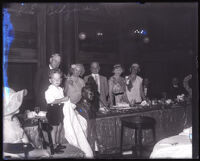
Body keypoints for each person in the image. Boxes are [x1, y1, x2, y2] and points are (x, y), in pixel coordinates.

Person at [3, 87, 50, 159]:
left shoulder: (14, 119)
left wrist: (29, 144)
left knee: (45, 152)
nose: (17, 106)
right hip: (13, 150)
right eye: (13, 104)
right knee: (46, 153)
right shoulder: (5, 124)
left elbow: (23, 135)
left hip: (21, 147)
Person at [45, 69, 69, 153]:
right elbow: (51, 101)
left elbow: (62, 101)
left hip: (59, 109)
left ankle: (58, 143)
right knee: (54, 129)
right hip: (53, 110)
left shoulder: (60, 89)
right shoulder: (49, 91)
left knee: (59, 128)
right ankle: (53, 146)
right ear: (50, 80)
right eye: (55, 79)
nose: (57, 81)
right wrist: (63, 99)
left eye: (59, 79)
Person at [75, 86, 99, 155]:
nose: (93, 95)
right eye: (90, 93)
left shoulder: (91, 105)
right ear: (83, 94)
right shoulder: (79, 106)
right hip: (86, 134)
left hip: (92, 134)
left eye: (93, 93)